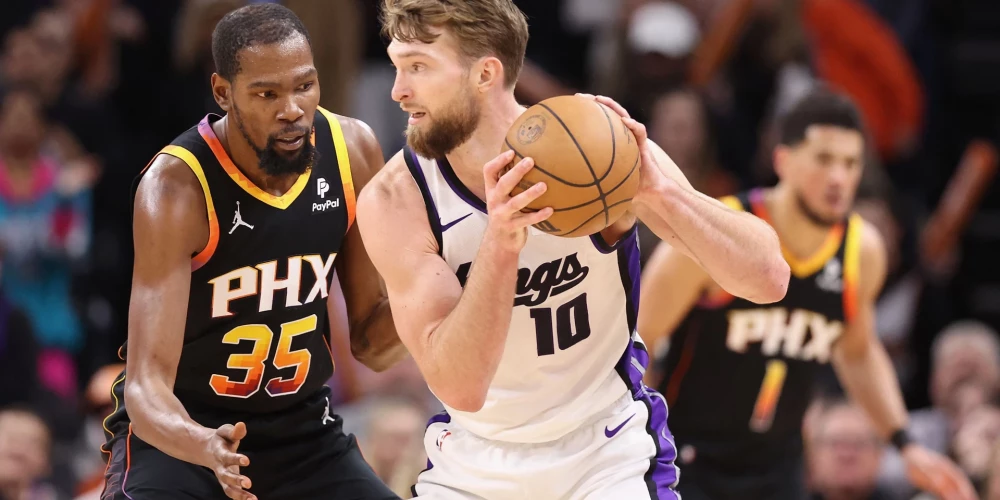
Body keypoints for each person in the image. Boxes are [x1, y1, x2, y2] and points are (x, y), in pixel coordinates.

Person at [358, 1, 790, 498]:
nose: (398, 91)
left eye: (418, 67)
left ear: (485, 73)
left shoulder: (595, 142)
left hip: (605, 451)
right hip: (476, 458)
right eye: (396, 66)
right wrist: (501, 243)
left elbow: (768, 279)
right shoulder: (398, 200)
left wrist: (659, 191)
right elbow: (461, 387)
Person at [101, 5, 405, 500]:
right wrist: (204, 445)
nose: (291, 109)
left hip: (306, 434)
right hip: (185, 439)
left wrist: (452, 283)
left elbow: (372, 343)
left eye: (304, 86)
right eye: (266, 94)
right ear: (223, 92)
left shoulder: (353, 151)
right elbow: (145, 388)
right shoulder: (176, 187)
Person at [639, 89, 975, 500]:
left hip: (781, 468)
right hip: (688, 459)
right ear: (782, 160)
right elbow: (641, 337)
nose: (839, 177)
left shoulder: (861, 251)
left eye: (850, 163)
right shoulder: (717, 230)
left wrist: (905, 443)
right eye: (824, 159)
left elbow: (856, 350)